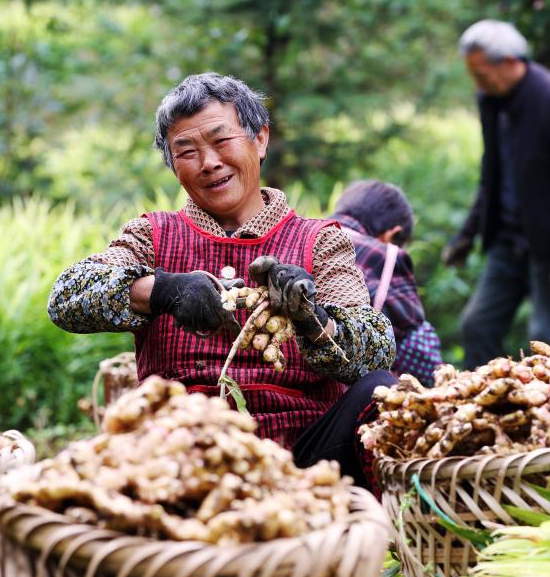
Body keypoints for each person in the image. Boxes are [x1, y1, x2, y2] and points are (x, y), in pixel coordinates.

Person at [48, 72, 395, 488]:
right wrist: (164, 290)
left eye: (221, 140)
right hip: (179, 457)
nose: (209, 162)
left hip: (304, 461)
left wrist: (311, 318)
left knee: (380, 390)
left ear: (260, 139)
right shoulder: (152, 235)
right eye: (187, 151)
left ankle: (344, 533)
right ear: (173, 165)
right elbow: (68, 297)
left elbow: (375, 348)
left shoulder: (320, 241)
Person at [441, 20, 550, 369]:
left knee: (545, 340)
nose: (477, 83)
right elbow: (491, 175)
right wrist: (467, 235)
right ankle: (484, 414)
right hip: (507, 242)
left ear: (510, 61)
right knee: (476, 326)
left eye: (481, 74)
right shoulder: (491, 100)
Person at [331, 180, 443, 386]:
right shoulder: (387, 256)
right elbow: (416, 347)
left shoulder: (300, 236)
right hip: (340, 398)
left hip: (275, 385)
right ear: (392, 234)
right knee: (419, 337)